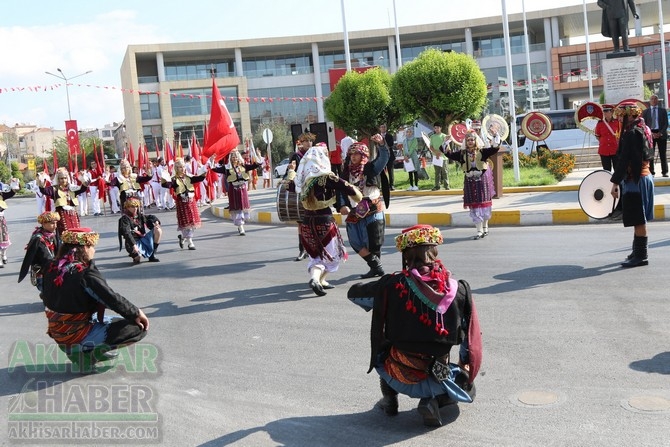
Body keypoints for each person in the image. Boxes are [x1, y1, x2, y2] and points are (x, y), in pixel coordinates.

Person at [347, 224, 481, 427]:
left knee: (384, 352)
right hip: (439, 376)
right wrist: (464, 364)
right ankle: (433, 400)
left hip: (397, 375)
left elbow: (355, 295)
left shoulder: (392, 285)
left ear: (405, 256)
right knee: (468, 386)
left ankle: (389, 400)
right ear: (435, 252)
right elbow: (469, 341)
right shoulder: (459, 290)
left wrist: (387, 299)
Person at [41, 227, 150, 373]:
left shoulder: (50, 267)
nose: (94, 250)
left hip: (58, 331)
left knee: (115, 319)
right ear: (83, 248)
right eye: (91, 246)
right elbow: (110, 298)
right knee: (137, 327)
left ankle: (79, 348)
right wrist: (136, 313)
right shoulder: (84, 274)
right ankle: (87, 355)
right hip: (75, 333)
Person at [293, 144, 362, 296]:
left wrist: (292, 171)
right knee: (331, 256)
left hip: (306, 222)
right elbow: (349, 188)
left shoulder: (302, 178)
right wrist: (358, 197)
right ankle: (316, 279)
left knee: (316, 255)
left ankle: (319, 280)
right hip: (324, 221)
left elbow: (289, 187)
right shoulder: (326, 176)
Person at [336, 135, 390, 278]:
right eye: (351, 154)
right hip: (354, 211)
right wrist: (341, 205)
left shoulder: (371, 168)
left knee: (374, 242)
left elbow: (383, 158)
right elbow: (341, 189)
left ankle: (375, 268)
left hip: (372, 209)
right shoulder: (346, 172)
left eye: (357, 154)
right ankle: (376, 266)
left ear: (363, 155)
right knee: (355, 242)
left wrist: (381, 144)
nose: (353, 157)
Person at [610, 100, 655, 268]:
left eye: (621, 117)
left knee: (638, 220)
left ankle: (641, 255)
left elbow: (624, 160)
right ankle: (637, 251)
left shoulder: (631, 133)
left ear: (630, 115)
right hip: (645, 177)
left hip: (636, 180)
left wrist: (614, 182)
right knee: (639, 219)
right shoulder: (645, 128)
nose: (619, 120)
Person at [445, 129, 501, 239]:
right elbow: (449, 154)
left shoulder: (482, 151)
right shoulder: (462, 154)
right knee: (475, 206)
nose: (470, 142)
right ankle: (479, 231)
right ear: (465, 142)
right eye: (468, 140)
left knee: (484, 205)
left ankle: (485, 227)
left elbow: (495, 148)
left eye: (472, 139)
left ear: (476, 140)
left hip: (482, 181)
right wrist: (446, 142)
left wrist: (495, 135)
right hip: (470, 182)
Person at [212, 149, 261, 236]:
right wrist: (212, 160)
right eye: (233, 157)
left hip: (242, 189)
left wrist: (258, 155)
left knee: (243, 208)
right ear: (230, 159)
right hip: (233, 189)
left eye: (236, 157)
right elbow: (215, 169)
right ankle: (241, 226)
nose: (234, 159)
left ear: (238, 158)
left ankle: (241, 224)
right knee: (237, 208)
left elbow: (254, 166)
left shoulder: (243, 166)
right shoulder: (227, 168)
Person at [163, 157, 207, 249]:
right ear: (176, 168)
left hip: (191, 201)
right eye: (180, 167)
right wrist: (165, 175)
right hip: (182, 202)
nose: (182, 169)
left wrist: (202, 167)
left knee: (192, 223)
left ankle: (183, 238)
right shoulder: (174, 179)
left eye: (183, 167)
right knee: (186, 223)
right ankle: (190, 241)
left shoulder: (189, 177)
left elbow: (200, 178)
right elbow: (167, 185)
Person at [18, 211, 61, 291]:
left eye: (56, 223)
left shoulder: (53, 234)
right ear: (44, 224)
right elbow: (46, 257)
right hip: (43, 273)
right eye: (52, 223)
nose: (55, 226)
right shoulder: (38, 238)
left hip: (53, 269)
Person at [39, 168, 88, 236]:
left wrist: (83, 178)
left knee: (76, 232)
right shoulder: (54, 189)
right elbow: (44, 190)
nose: (63, 180)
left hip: (73, 214)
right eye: (61, 178)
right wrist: (42, 181)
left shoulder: (72, 188)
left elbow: (83, 188)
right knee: (64, 234)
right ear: (58, 179)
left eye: (65, 178)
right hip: (61, 214)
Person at [290, 132, 315, 260]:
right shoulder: (296, 156)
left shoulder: (315, 154)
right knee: (301, 222)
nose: (309, 143)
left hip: (314, 192)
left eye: (310, 141)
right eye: (306, 141)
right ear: (301, 142)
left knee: (313, 222)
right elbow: (291, 172)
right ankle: (302, 249)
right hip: (301, 191)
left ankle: (313, 249)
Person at [118, 198, 162, 264]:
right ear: (127, 207)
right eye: (132, 207)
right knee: (138, 258)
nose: (135, 208)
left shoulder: (139, 216)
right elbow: (127, 233)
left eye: (136, 206)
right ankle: (135, 256)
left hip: (143, 239)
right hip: (132, 242)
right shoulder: (124, 219)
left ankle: (152, 255)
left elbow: (151, 217)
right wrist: (134, 245)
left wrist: (156, 221)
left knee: (158, 230)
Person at [642, 94, 668, 177]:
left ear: (657, 101)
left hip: (661, 134)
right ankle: (651, 172)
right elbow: (644, 125)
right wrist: (651, 134)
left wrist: (660, 133)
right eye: (652, 99)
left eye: (655, 99)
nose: (653, 100)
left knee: (663, 154)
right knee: (650, 154)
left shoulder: (663, 111)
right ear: (650, 101)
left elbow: (666, 123)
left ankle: (664, 172)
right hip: (650, 135)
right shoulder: (646, 112)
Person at [594, 104, 621, 172]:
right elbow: (598, 136)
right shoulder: (600, 123)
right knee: (606, 170)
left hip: (615, 149)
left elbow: (620, 134)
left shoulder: (617, 122)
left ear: (611, 112)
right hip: (604, 150)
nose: (605, 113)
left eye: (607, 111)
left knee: (617, 169)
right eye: (604, 111)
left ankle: (617, 183)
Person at [1, 178, 20, 267]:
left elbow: (12, 192)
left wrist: (14, 183)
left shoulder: (1, 195)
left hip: (0, 219)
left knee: (3, 238)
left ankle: (3, 255)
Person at [429, 122, 450, 191]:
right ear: (434, 129)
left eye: (438, 127)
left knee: (444, 171)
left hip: (443, 157)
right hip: (436, 157)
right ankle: (437, 186)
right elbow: (431, 146)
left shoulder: (444, 136)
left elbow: (447, 147)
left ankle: (446, 185)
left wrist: (440, 153)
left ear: (440, 128)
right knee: (437, 172)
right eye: (435, 128)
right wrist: (436, 152)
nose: (437, 129)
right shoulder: (432, 137)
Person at [403, 126, 420, 191]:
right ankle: (411, 185)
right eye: (407, 132)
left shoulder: (414, 139)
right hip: (407, 157)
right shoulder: (405, 141)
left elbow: (412, 148)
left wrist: (408, 155)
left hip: (413, 156)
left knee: (415, 171)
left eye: (410, 132)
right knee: (409, 171)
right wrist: (405, 156)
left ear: (412, 133)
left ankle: (416, 185)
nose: (409, 133)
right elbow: (404, 149)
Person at [379, 124, 396, 191]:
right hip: (381, 156)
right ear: (380, 128)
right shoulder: (378, 136)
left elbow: (391, 144)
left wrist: (384, 144)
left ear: (386, 128)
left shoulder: (389, 136)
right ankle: (383, 185)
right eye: (381, 127)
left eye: (384, 127)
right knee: (382, 172)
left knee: (390, 171)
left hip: (389, 156)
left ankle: (391, 185)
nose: (383, 128)